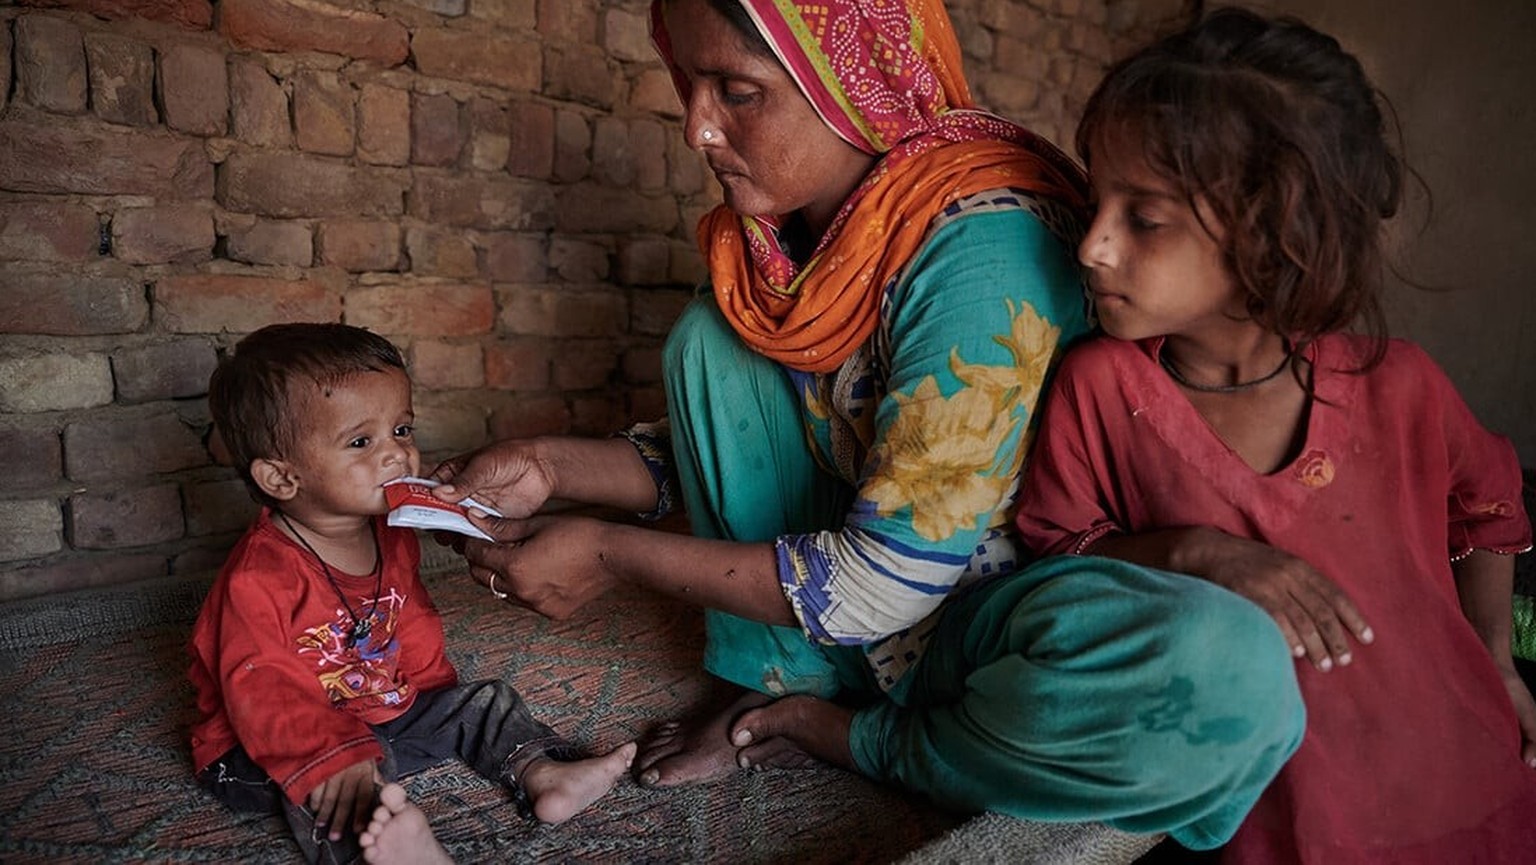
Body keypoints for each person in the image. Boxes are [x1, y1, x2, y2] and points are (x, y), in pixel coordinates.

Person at [414, 0, 1303, 855]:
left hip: (985, 624)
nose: (697, 128)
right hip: (867, 614)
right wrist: (544, 466)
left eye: (738, 90)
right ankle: (770, 680)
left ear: (851, 76)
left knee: (1224, 673)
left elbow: (887, 583)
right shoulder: (804, 241)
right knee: (712, 340)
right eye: (688, 83)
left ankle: (873, 739)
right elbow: (745, 450)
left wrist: (606, 553)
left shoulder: (981, 248)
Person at [1014, 8, 1536, 862]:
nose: (1093, 247)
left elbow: (1490, 506)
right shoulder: (1102, 388)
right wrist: (1195, 550)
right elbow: (1058, 559)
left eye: (1142, 219)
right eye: (1095, 200)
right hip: (1281, 823)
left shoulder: (1400, 386)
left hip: (1467, 790)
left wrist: (1497, 662)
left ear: (1270, 237)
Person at [186, 322, 635, 865]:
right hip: (264, 742)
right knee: (333, 786)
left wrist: (428, 698)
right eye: (360, 442)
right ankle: (382, 851)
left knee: (481, 701)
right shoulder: (256, 579)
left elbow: (412, 619)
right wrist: (330, 753)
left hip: (376, 713)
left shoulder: (392, 531)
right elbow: (262, 689)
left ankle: (544, 774)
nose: (396, 455)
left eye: (402, 430)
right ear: (282, 479)